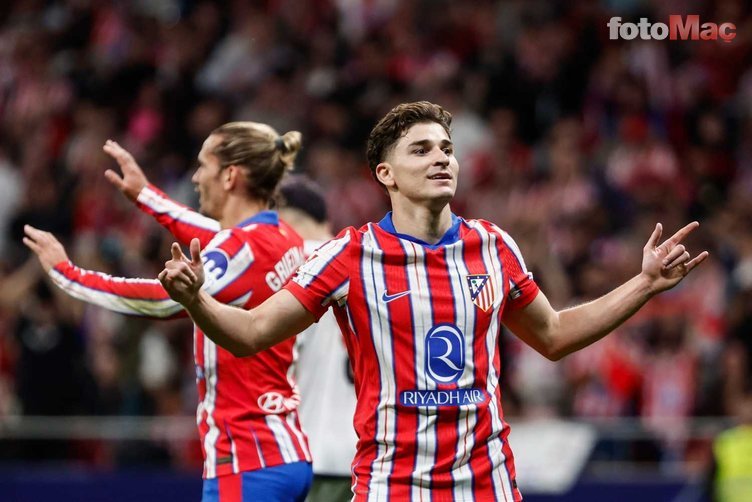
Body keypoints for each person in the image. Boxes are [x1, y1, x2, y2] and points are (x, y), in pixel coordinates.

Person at [158, 101, 708, 501]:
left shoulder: (492, 246)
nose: (441, 158)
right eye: (420, 150)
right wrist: (197, 301)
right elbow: (253, 333)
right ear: (386, 174)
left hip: (486, 482)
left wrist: (643, 285)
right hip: (392, 485)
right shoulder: (349, 255)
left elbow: (554, 335)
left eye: (447, 149)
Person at [23, 123, 313, 501]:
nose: (195, 177)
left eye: (203, 165)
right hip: (286, 452)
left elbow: (162, 300)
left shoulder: (240, 250)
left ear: (230, 176)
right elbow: (216, 235)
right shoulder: (285, 239)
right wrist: (145, 195)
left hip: (246, 461)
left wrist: (68, 275)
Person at [277, 176, 358, 502]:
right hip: (373, 456)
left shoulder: (289, 265)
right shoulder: (363, 259)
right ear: (325, 221)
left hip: (314, 450)